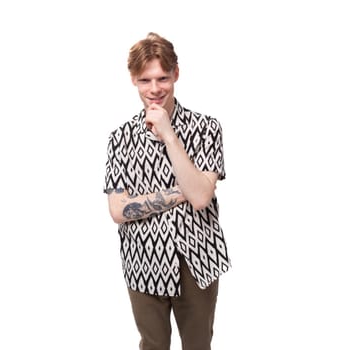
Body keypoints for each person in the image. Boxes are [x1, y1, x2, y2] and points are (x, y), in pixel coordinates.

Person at [103, 32, 231, 350]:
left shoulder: (206, 128)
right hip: (143, 257)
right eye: (145, 80)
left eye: (162, 77)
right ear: (134, 80)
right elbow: (119, 210)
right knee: (153, 345)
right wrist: (181, 191)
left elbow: (201, 197)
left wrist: (168, 134)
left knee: (199, 344)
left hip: (198, 258)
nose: (155, 88)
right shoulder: (119, 139)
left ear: (176, 73)